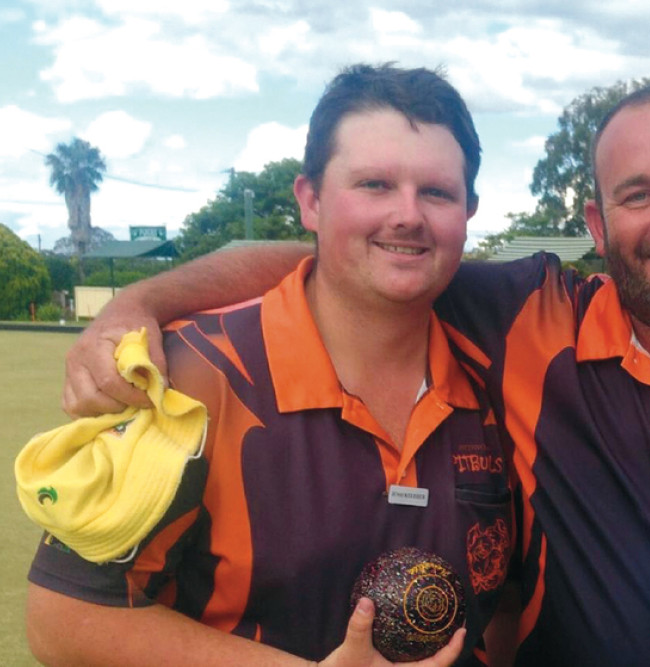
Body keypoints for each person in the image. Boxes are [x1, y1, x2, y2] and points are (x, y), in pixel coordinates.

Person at [61, 81, 650, 666]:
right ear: (597, 224)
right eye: (637, 194)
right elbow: (352, 257)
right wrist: (141, 301)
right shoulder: (529, 319)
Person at [27, 64, 516, 667]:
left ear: (469, 210)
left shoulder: (504, 370)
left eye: (436, 192)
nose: (408, 215)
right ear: (310, 201)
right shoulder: (192, 375)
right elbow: (63, 617)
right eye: (374, 185)